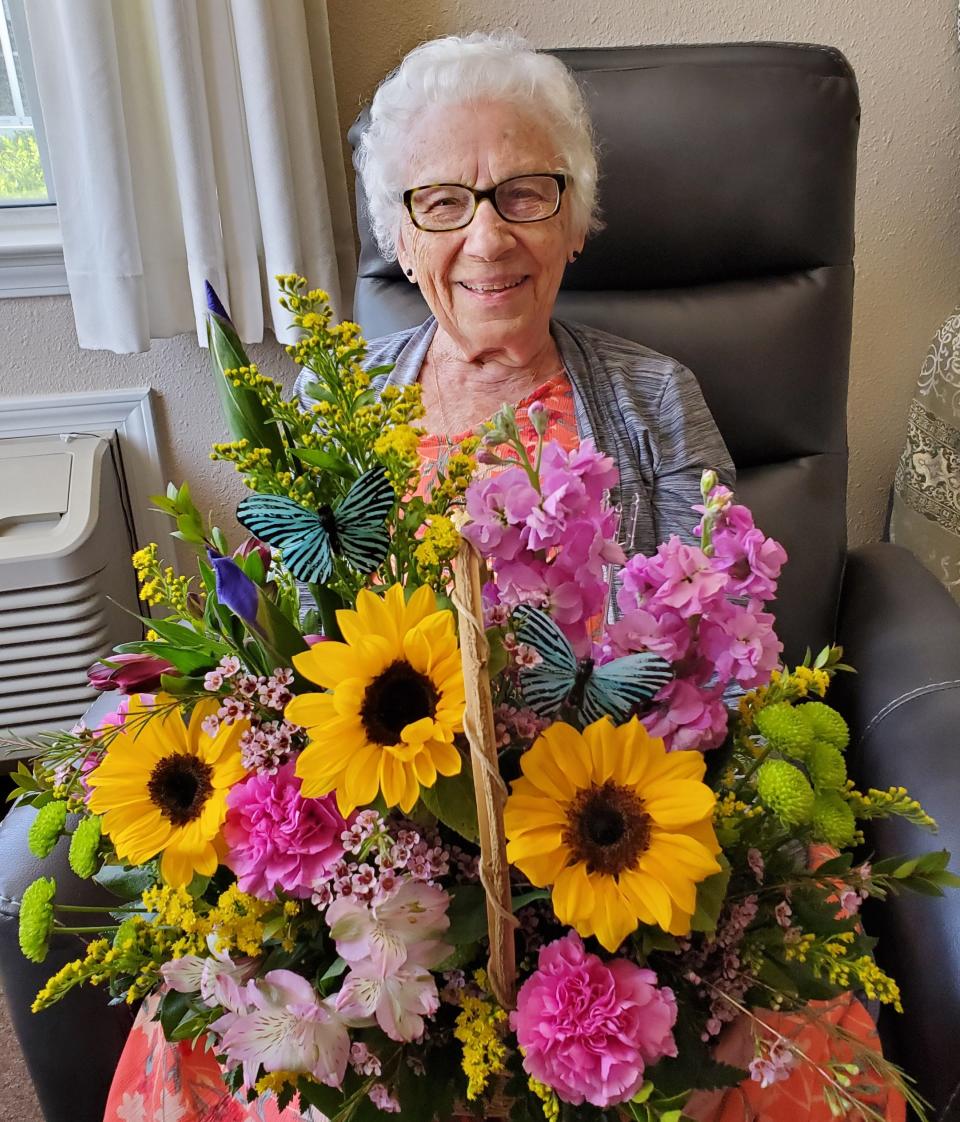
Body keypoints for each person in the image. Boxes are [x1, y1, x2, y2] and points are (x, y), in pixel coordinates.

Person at [105, 32, 902, 1122]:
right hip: (388, 847)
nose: (488, 237)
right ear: (399, 230)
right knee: (212, 1011)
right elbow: (284, 656)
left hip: (607, 819)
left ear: (574, 221)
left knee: (780, 1018)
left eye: (525, 193)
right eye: (442, 200)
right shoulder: (337, 420)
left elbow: (724, 642)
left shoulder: (657, 398)